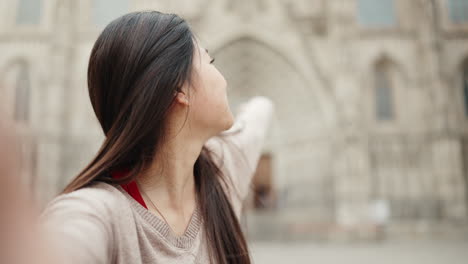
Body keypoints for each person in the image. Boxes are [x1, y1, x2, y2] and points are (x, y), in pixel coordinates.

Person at [39, 10, 274, 264]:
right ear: (179, 89)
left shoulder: (220, 168)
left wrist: (249, 109)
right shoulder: (96, 214)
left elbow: (258, 116)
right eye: (210, 61)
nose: (225, 81)